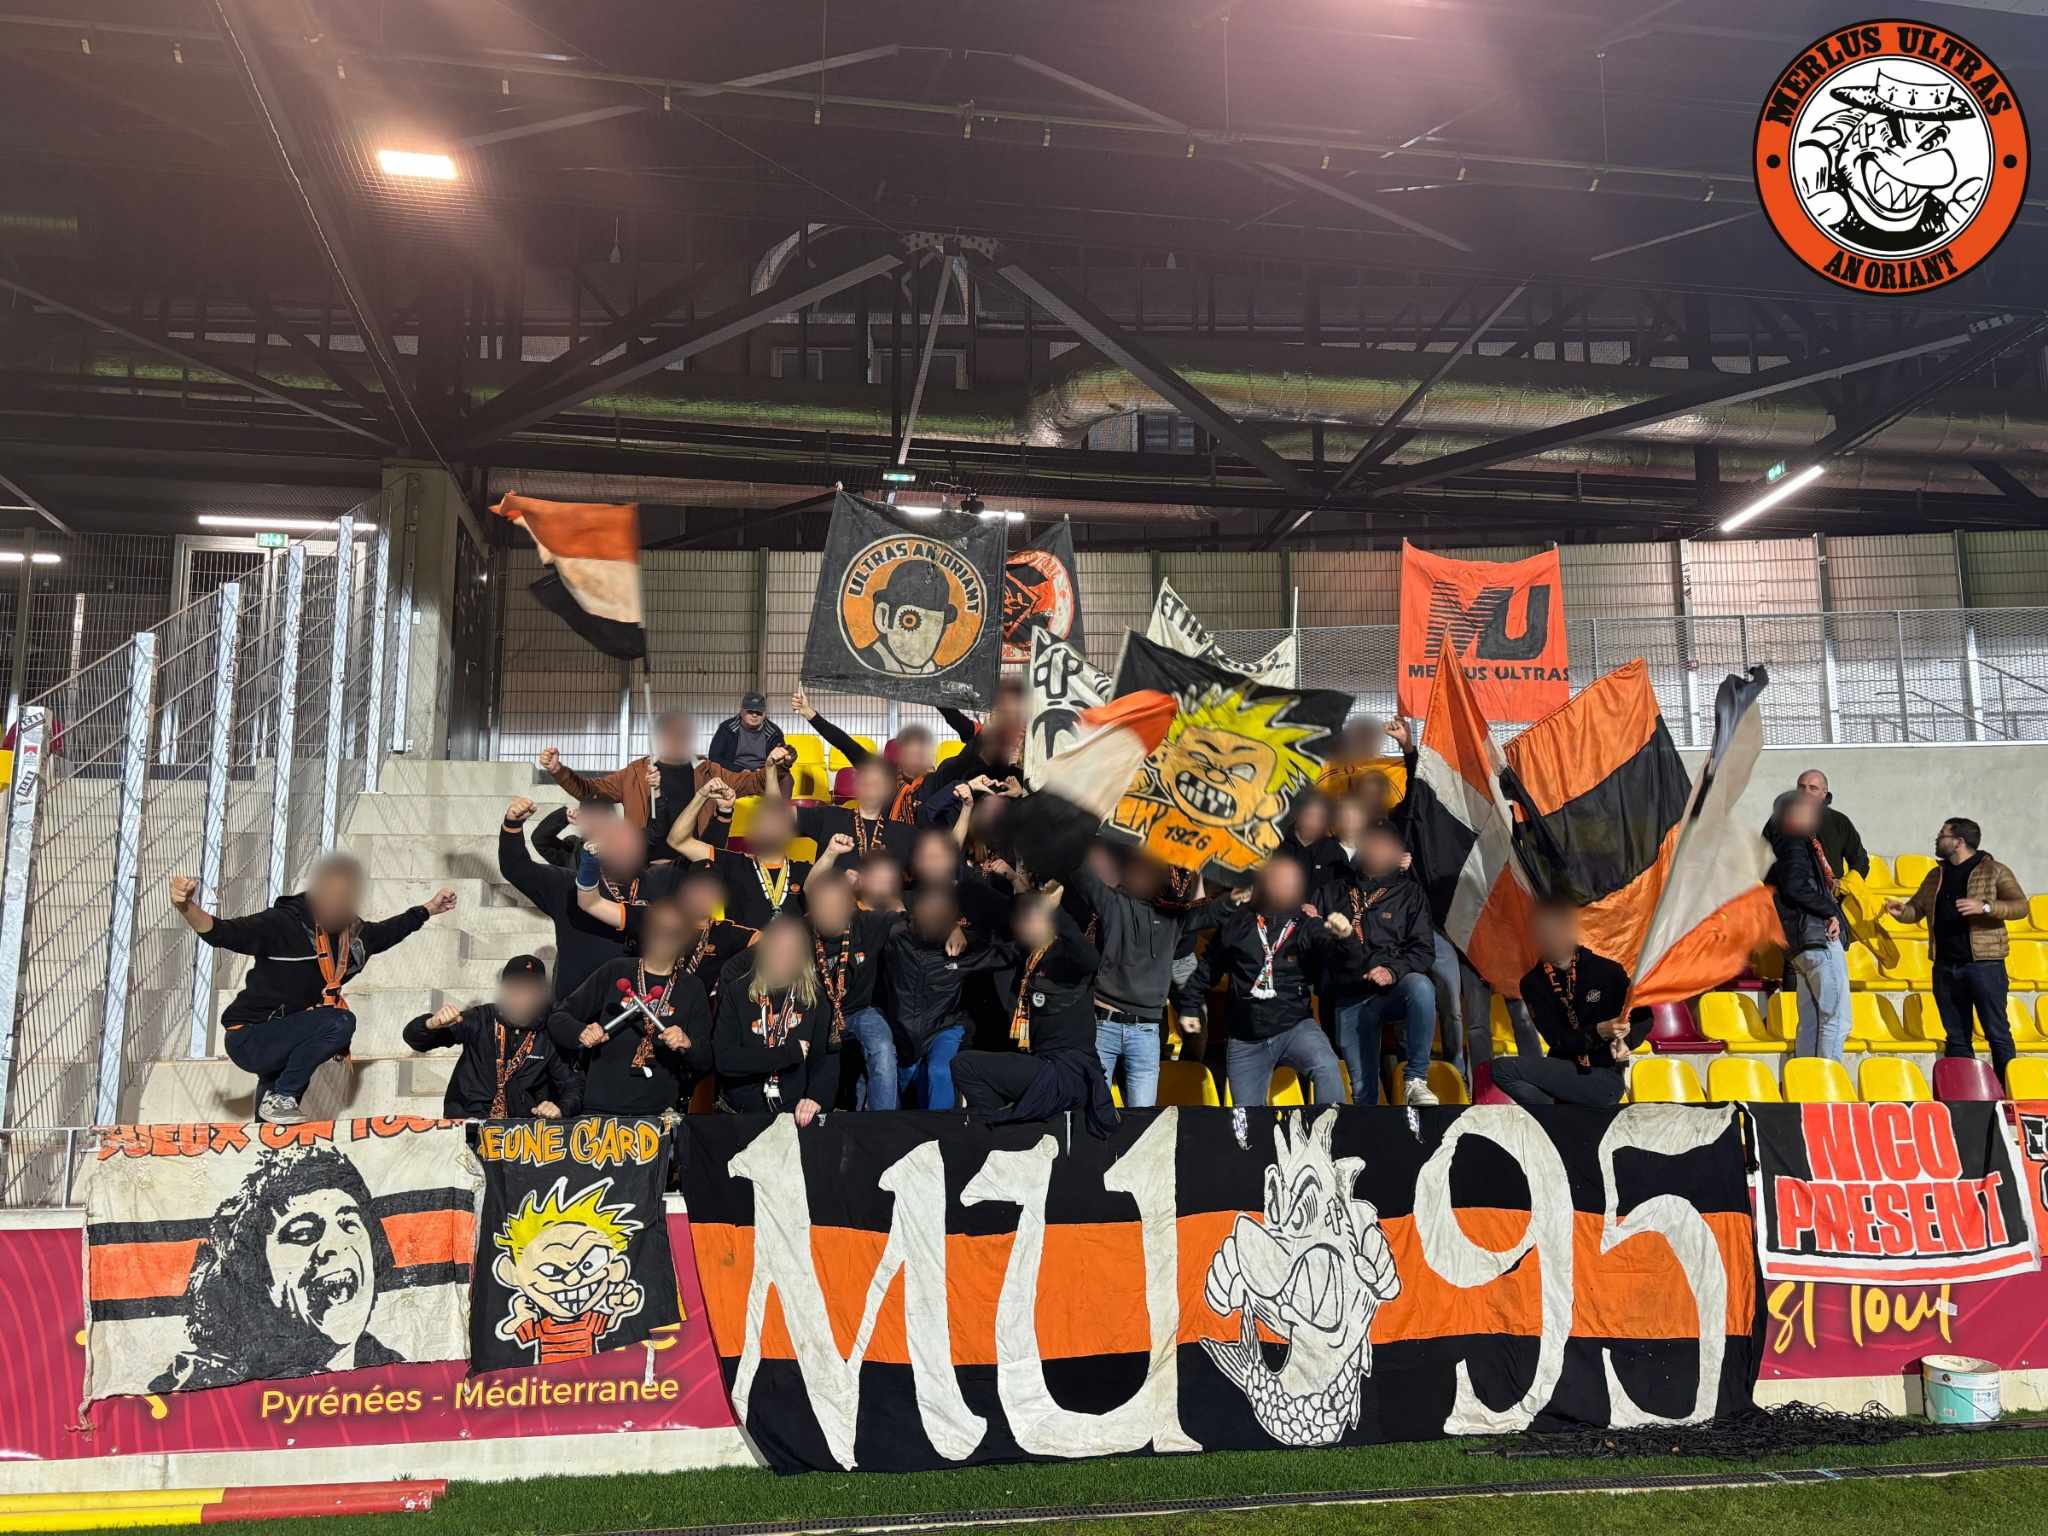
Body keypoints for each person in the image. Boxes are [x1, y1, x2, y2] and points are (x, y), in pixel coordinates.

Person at [168, 857, 456, 1124]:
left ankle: (270, 1126)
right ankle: (283, 1096)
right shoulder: (283, 924)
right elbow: (222, 932)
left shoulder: (352, 937)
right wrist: (186, 906)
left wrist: (428, 909)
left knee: (277, 1102)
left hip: (290, 1031)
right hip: (249, 1035)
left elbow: (388, 931)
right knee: (339, 1022)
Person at [150, 1144, 400, 1392]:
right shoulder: (200, 1389)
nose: (335, 1246)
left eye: (348, 1224)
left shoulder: (403, 1379)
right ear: (255, 1273)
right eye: (302, 1233)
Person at [1176, 859, 1358, 1108]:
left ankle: (1330, 1127)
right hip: (1246, 1037)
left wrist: (1346, 939)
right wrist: (1189, 1005)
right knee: (1248, 1117)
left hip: (1294, 1027)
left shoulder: (1305, 922)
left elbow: (1343, 962)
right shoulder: (1237, 922)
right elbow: (1208, 968)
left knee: (1326, 1066)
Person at [1062, 847, 1228, 1108]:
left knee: (1142, 1119)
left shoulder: (1175, 916)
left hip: (1146, 1030)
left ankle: (1190, 1067)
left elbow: (1209, 911)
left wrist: (1236, 895)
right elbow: (1081, 873)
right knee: (1093, 1109)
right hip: (1105, 1024)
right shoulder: (1114, 903)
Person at [953, 888, 1117, 1135]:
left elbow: (1090, 959)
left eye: (1032, 919)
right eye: (1022, 921)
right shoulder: (1028, 958)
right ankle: (1002, 1131)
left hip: (1068, 1070)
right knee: (964, 1065)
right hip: (1040, 1063)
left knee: (965, 1065)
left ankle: (999, 1133)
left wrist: (1055, 910)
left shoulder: (1067, 957)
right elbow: (988, 942)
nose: (1025, 926)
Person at [1887, 816, 2030, 1081]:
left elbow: (2021, 906)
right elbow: (1916, 909)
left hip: (1985, 965)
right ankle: (1968, 1095)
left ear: (1958, 842)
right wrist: (1901, 912)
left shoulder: (1994, 870)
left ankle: (2009, 1092)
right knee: (1956, 1038)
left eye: (1942, 835)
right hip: (1945, 966)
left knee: (1997, 1033)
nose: (1937, 839)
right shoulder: (1936, 875)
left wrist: (1985, 907)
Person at [546, 895, 710, 1115]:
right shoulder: (615, 971)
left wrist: (688, 1044)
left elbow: (705, 1060)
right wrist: (581, 1032)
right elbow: (558, 1019)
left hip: (658, 1114)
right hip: (601, 1111)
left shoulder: (692, 988)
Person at [1318, 818, 1439, 1106]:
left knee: (1422, 987)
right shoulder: (1333, 891)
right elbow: (1315, 942)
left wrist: (1392, 971)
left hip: (1391, 989)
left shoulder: (1410, 894)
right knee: (1363, 1094)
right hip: (1350, 993)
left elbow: (1423, 950)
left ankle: (1415, 1079)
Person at [501, 797, 668, 998]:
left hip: (637, 1006)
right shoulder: (567, 886)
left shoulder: (658, 887)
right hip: (575, 1007)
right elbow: (517, 868)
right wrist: (512, 825)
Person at [1490, 901, 1650, 1107]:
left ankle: (1559, 1112)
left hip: (1603, 1075)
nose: (1550, 939)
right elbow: (1557, 1039)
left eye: (1555, 930)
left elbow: (1644, 1016)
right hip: (1563, 1068)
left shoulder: (1607, 971)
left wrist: (1626, 1041)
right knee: (1501, 1070)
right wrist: (1598, 1032)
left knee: (1505, 1071)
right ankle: (1558, 1113)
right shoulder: (1532, 983)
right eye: (1542, 933)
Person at [402, 955, 581, 1120]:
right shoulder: (481, 1018)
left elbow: (572, 1085)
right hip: (468, 1120)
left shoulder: (548, 1032)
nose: (523, 999)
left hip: (518, 1130)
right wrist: (430, 1024)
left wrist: (560, 1109)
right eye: (516, 990)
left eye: (530, 991)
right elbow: (416, 1040)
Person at [879, 884, 1004, 1109]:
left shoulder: (960, 947)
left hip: (944, 1026)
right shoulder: (897, 939)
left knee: (939, 1071)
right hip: (904, 1032)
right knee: (909, 1083)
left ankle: (943, 1125)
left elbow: (1002, 949)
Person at [575, 857, 754, 1013]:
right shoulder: (656, 917)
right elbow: (590, 904)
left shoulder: (727, 932)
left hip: (689, 1022)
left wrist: (731, 976)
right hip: (639, 1011)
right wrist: (589, 864)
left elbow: (767, 945)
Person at [536, 712, 724, 853]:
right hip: (645, 866)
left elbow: (743, 782)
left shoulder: (708, 770)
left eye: (681, 734)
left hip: (692, 864)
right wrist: (558, 770)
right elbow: (589, 791)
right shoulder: (635, 772)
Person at [713, 915, 835, 1121]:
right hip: (741, 1112)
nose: (782, 956)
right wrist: (788, 1053)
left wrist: (816, 1097)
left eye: (791, 950)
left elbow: (824, 1059)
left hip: (795, 1113)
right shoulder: (737, 992)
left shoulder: (815, 997)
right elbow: (725, 1060)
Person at [802, 855, 899, 1108]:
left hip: (859, 1011)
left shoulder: (867, 923)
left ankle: (884, 1121)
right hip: (816, 1015)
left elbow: (911, 919)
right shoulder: (800, 932)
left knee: (882, 1047)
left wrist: (952, 928)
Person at [1766, 789, 1853, 1061]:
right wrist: (1830, 911)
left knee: (1811, 1022)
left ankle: (1806, 1081)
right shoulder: (1794, 842)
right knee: (1836, 1020)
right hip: (1816, 937)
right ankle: (1828, 1082)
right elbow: (1796, 886)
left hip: (1800, 943)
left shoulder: (1779, 844)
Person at [668, 780, 810, 927]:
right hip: (743, 942)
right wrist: (701, 796)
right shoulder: (733, 863)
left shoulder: (805, 872)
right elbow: (678, 841)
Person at [1762, 768, 1869, 882]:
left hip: (1831, 891)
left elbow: (1860, 859)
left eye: (1813, 788)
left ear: (1824, 793)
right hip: (1788, 889)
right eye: (1801, 787)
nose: (1806, 792)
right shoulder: (1778, 820)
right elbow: (1761, 856)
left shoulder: (1840, 821)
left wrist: (1847, 883)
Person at [707, 692, 786, 774]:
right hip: (734, 772)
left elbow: (782, 761)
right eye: (750, 711)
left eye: (759, 712)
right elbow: (714, 757)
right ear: (741, 711)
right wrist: (739, 770)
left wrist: (764, 771)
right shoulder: (727, 728)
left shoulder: (774, 732)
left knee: (786, 777)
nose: (754, 715)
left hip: (764, 773)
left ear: (765, 714)